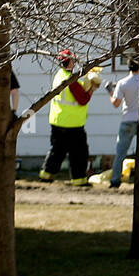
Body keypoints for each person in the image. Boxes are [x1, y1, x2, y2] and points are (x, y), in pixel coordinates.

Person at [41, 49, 99, 185]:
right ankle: (79, 180)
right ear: (70, 61)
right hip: (72, 124)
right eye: (74, 60)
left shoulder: (59, 75)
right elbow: (83, 99)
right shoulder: (70, 80)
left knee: (57, 151)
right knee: (79, 153)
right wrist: (92, 88)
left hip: (58, 121)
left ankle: (46, 176)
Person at [106, 60, 139, 189]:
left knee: (120, 153)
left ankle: (115, 180)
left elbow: (116, 104)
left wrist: (111, 91)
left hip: (127, 119)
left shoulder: (123, 83)